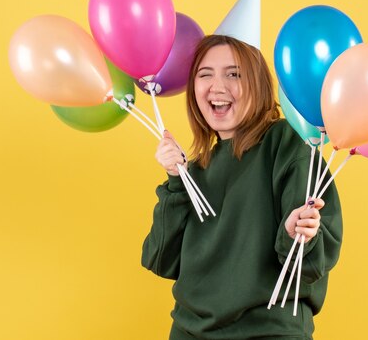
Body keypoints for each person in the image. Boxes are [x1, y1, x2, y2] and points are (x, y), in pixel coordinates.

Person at [141, 35, 342, 340]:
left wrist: (294, 235)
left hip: (267, 331)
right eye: (205, 74)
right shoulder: (196, 168)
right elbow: (162, 259)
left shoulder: (289, 144)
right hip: (188, 331)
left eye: (233, 74)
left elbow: (310, 264)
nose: (217, 87)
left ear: (258, 84)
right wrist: (175, 179)